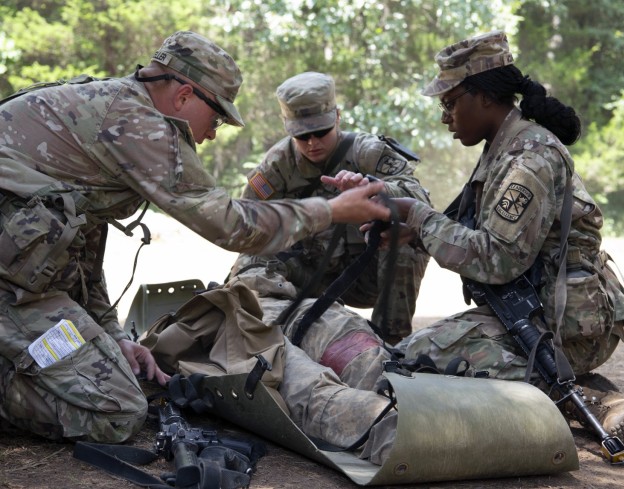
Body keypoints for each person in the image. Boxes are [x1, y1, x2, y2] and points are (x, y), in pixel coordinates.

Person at [0, 31, 390, 444]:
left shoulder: (106, 109)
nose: (211, 134)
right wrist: (331, 210)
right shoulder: (137, 125)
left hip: (28, 287)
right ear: (185, 95)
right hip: (15, 293)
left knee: (122, 376)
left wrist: (114, 336)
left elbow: (82, 246)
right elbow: (232, 226)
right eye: (217, 118)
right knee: (116, 413)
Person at [360, 30, 624, 450]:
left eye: (450, 103)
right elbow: (478, 234)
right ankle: (583, 391)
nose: (445, 118)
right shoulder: (501, 148)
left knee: (416, 364)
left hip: (569, 329)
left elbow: (495, 259)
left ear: (485, 96)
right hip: (536, 311)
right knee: (413, 358)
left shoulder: (531, 158)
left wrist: (418, 215)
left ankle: (592, 399)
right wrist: (413, 235)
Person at [230, 71, 430, 345]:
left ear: (336, 117)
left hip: (365, 274)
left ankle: (390, 342)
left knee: (406, 238)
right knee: (251, 260)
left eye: (321, 132)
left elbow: (421, 200)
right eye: (302, 135)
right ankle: (274, 334)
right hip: (308, 276)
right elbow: (246, 224)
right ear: (286, 126)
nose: (313, 143)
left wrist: (374, 189)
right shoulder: (277, 165)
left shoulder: (367, 152)